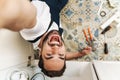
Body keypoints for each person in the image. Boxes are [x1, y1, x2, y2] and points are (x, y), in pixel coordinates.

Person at [0, 0, 92, 77]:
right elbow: (64, 56)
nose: (56, 48)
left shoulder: (33, 30)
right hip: (56, 7)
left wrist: (8, 14)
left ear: (40, 53)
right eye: (60, 55)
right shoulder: (53, 41)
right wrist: (80, 53)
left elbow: (23, 14)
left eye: (49, 55)